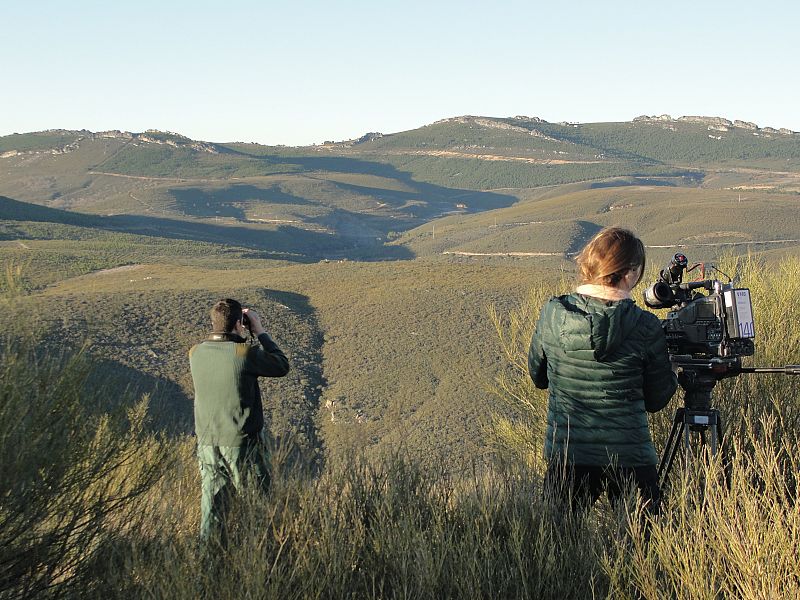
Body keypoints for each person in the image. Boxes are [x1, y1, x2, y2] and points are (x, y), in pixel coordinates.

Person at [528, 227, 677, 513]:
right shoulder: (646, 326)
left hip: (569, 453)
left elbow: (538, 376)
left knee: (558, 543)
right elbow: (657, 400)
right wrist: (672, 368)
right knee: (645, 546)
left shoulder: (553, 314)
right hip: (630, 455)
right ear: (630, 273)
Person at [189, 298, 290, 539]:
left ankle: (209, 562)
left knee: (213, 511)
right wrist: (260, 331)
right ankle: (259, 557)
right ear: (238, 323)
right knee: (257, 506)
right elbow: (281, 365)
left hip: (207, 443)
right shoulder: (244, 353)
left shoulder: (196, 352)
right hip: (242, 445)